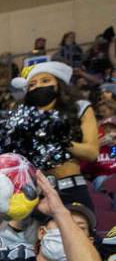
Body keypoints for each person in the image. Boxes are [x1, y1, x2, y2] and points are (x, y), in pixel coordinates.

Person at [14, 61, 100, 211]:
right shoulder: (23, 118)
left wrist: (60, 139)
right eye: (32, 84)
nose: (39, 86)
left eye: (46, 80)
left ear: (59, 84)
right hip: (38, 193)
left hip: (72, 187)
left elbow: (92, 153)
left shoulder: (80, 107)